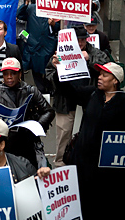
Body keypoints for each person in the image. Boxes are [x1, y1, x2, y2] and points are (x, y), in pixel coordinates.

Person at [66, 62, 125, 219]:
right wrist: (60, 68)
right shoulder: (92, 94)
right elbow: (69, 92)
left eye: (104, 75)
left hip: (107, 171)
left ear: (115, 81)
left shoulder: (122, 102)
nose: (99, 77)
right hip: (83, 164)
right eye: (99, 74)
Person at [46, 25, 110, 168]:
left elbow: (108, 68)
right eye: (77, 40)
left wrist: (90, 59)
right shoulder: (59, 54)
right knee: (63, 136)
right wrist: (57, 69)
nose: (80, 44)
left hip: (89, 100)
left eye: (83, 40)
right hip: (65, 102)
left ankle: (84, 165)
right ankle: (60, 167)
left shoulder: (94, 52)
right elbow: (48, 77)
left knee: (89, 135)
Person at [0, 58, 55, 168]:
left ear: (20, 74)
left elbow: (49, 111)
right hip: (7, 141)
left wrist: (36, 126)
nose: (9, 77)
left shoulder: (31, 90)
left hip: (28, 140)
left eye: (13, 73)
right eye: (6, 74)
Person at [17, 0, 59, 93]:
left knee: (48, 68)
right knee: (36, 69)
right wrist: (26, 3)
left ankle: (50, 88)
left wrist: (53, 24)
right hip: (34, 45)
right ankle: (42, 90)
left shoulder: (54, 9)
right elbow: (20, 15)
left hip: (48, 45)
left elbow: (59, 28)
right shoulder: (32, 8)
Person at [0, 20, 22, 92]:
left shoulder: (14, 49)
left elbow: (20, 71)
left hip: (9, 92)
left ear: (5, 33)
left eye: (0, 29)